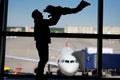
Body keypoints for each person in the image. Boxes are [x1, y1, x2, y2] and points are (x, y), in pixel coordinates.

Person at [32, 0, 90, 79]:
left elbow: (52, 21)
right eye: (40, 13)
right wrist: (57, 15)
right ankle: (39, 76)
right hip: (42, 43)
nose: (42, 14)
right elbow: (53, 22)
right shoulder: (40, 22)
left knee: (43, 60)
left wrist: (55, 14)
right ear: (37, 16)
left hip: (41, 42)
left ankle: (39, 75)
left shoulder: (39, 22)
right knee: (43, 60)